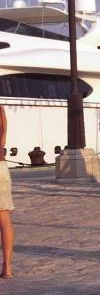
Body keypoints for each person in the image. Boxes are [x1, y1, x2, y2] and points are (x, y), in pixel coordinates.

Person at [0, 105, 14, 278]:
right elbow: (2, 141)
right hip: (1, 167)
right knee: (4, 218)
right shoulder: (0, 110)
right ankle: (7, 268)